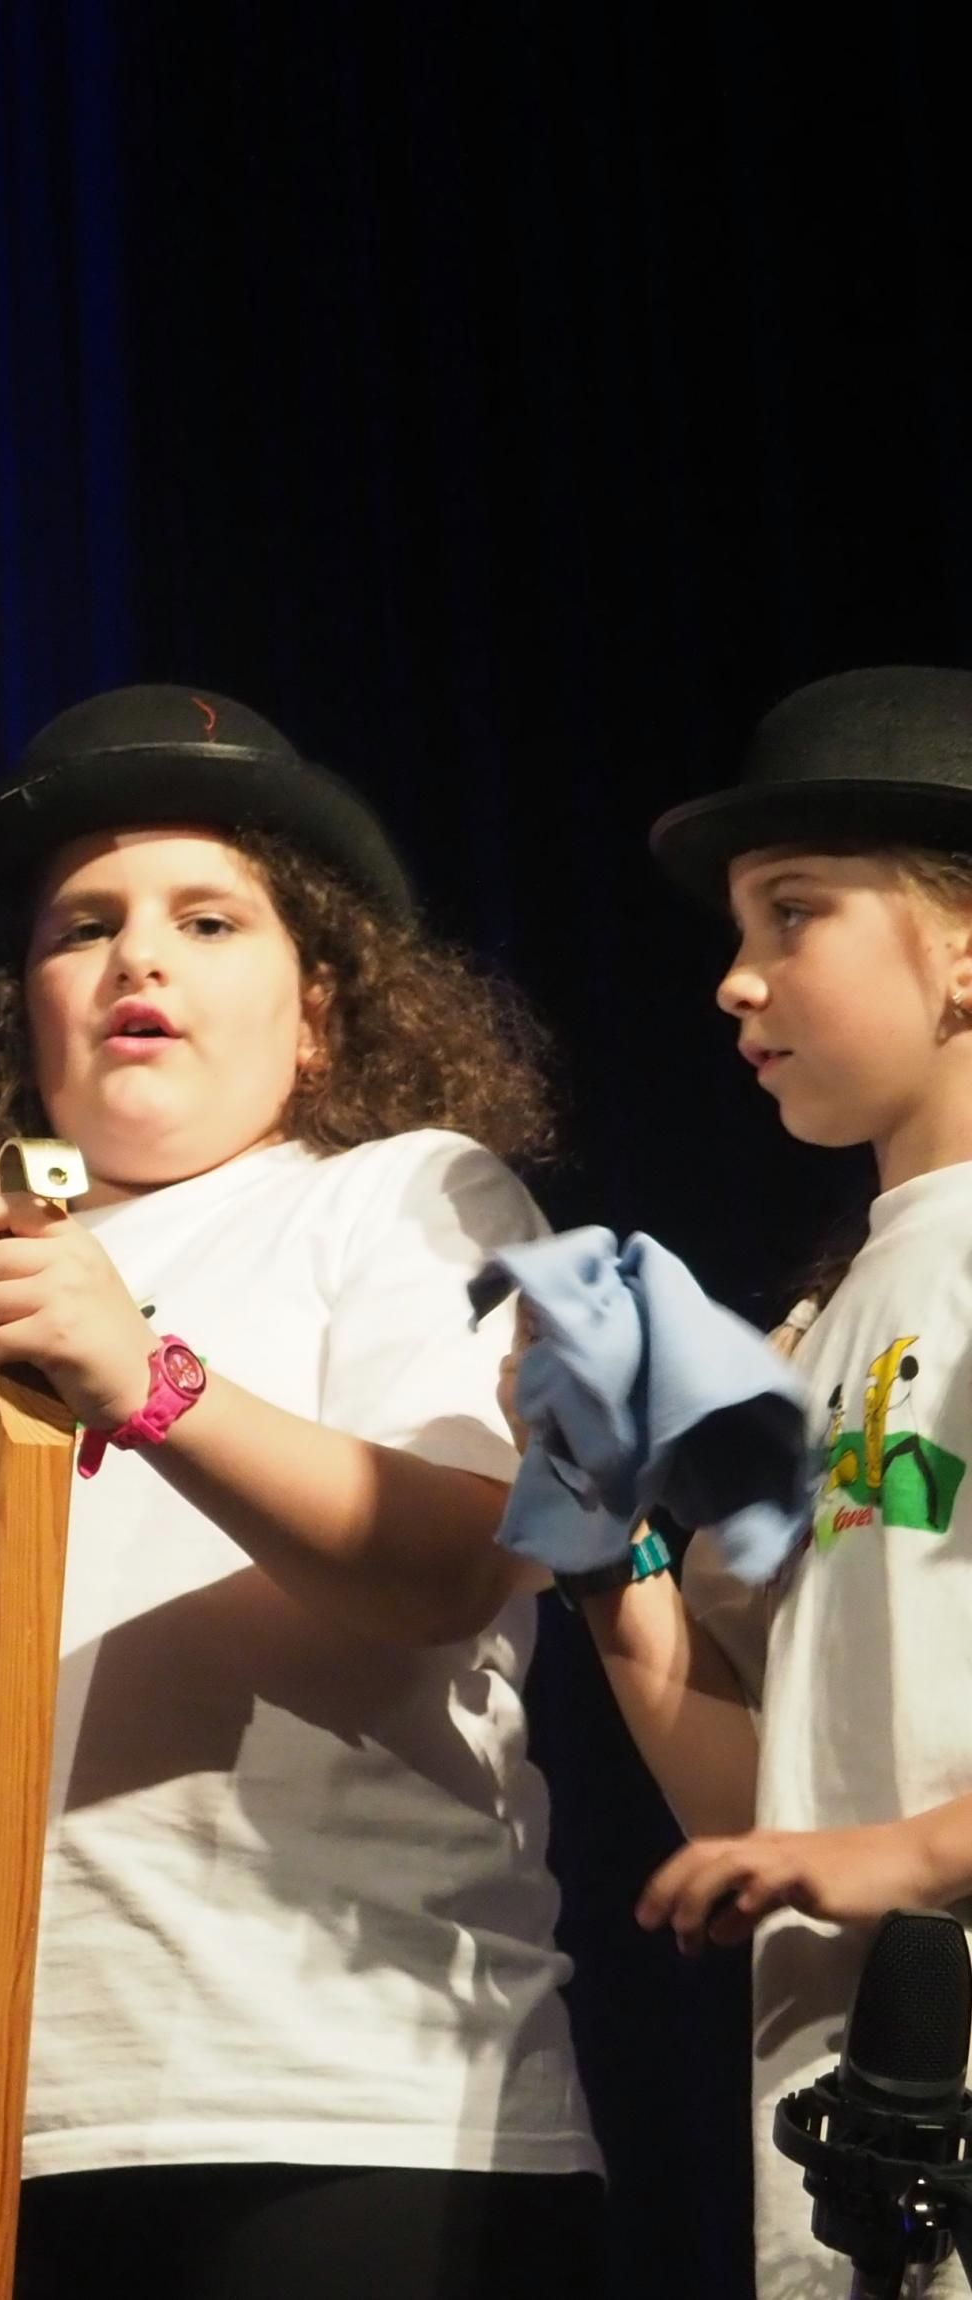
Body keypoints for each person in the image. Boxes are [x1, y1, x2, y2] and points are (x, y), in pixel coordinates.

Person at [0, 687, 603, 2299]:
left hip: (345, 2117)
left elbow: (454, 1564)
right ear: (16, 1019)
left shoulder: (400, 1201)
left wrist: (149, 1381)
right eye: (83, 926)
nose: (137, 960)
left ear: (320, 1013)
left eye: (208, 920)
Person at [574, 666, 972, 2299]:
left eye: (794, 913)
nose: (736, 980)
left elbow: (853, 1846)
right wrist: (599, 1538)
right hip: (857, 2149)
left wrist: (902, 1855)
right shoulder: (816, 1333)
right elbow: (752, 1816)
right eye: (739, 930)